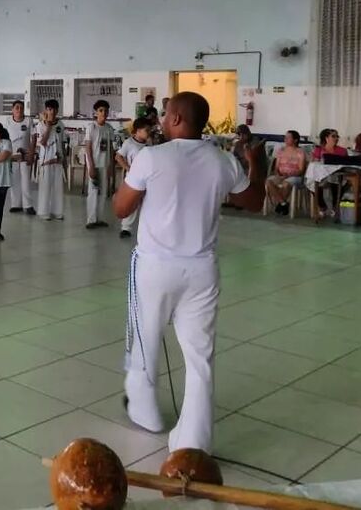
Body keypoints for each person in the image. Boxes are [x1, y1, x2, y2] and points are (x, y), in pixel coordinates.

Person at [113, 92, 265, 451]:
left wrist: (139, 187)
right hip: (201, 270)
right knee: (200, 357)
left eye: (166, 115)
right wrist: (255, 164)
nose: (161, 121)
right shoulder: (222, 161)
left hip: (155, 266)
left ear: (178, 119)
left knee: (146, 336)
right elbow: (254, 201)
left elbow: (120, 208)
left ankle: (145, 411)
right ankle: (194, 442)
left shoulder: (152, 156)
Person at [115, 117, 152, 239]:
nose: (149, 132)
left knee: (147, 203)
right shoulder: (129, 143)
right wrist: (128, 168)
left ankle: (148, 228)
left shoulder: (149, 144)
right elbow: (118, 156)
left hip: (148, 179)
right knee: (132, 202)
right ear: (138, 131)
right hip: (134, 179)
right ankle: (126, 228)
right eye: (146, 130)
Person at [84, 99, 115, 230]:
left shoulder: (109, 129)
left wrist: (111, 165)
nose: (103, 113)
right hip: (94, 164)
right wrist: (91, 166)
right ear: (96, 112)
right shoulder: (91, 127)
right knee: (93, 192)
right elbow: (88, 147)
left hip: (105, 164)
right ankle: (91, 219)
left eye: (106, 111)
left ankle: (100, 218)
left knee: (103, 192)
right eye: (101, 110)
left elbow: (111, 148)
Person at [265, 130, 307, 216]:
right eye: (285, 137)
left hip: (295, 176)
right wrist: (278, 175)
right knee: (268, 182)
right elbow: (276, 167)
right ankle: (283, 203)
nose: (285, 139)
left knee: (286, 183)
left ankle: (281, 204)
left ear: (295, 140)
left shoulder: (300, 152)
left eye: (288, 137)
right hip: (281, 175)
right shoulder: (281, 151)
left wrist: (289, 175)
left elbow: (301, 170)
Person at [36, 98, 65, 221]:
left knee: (57, 187)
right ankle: (44, 212)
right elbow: (42, 142)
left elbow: (62, 142)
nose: (51, 112)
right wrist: (48, 126)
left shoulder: (60, 125)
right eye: (49, 109)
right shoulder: (40, 125)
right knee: (45, 186)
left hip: (58, 159)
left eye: (54, 109)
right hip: (46, 159)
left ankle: (57, 212)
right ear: (46, 110)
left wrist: (64, 159)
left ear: (57, 110)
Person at [6, 100, 36, 215]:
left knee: (26, 181)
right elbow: (5, 138)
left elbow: (34, 137)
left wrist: (31, 154)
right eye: (17, 108)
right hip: (13, 155)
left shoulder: (28, 121)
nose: (19, 110)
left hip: (26, 156)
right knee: (15, 181)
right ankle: (15, 204)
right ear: (12, 110)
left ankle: (28, 205)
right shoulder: (8, 121)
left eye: (21, 108)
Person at [311, 128, 348, 221]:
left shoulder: (342, 151)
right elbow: (314, 164)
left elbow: (345, 165)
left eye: (337, 136)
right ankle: (322, 207)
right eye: (333, 136)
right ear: (326, 138)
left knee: (336, 181)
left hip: (336, 175)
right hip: (321, 175)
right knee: (313, 183)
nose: (336, 138)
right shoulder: (319, 150)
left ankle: (334, 208)